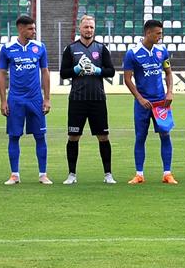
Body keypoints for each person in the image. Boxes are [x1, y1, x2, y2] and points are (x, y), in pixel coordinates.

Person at [59, 14, 116, 184]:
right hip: (77, 100)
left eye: (91, 27)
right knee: (73, 137)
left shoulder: (101, 48)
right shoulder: (71, 49)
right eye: (86, 27)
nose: (89, 30)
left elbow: (111, 71)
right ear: (80, 28)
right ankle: (71, 174)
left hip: (97, 99)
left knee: (103, 137)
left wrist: (98, 71)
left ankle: (108, 174)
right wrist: (76, 69)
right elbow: (63, 73)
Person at [0, 15, 52, 185]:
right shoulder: (7, 48)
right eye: (30, 29)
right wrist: (3, 101)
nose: (34, 31)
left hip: (35, 99)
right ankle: (15, 175)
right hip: (15, 99)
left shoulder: (39, 47)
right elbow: (2, 74)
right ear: (20, 29)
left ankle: (43, 174)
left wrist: (47, 99)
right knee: (14, 136)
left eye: (34, 28)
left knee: (40, 136)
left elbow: (45, 72)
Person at [123, 18, 175, 184]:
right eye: (158, 33)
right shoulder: (132, 53)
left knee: (165, 134)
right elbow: (127, 79)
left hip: (161, 102)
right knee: (140, 136)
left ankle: (167, 173)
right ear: (148, 33)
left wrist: (169, 92)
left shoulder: (162, 51)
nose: (160, 36)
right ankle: (139, 174)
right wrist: (139, 98)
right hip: (143, 103)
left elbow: (168, 73)